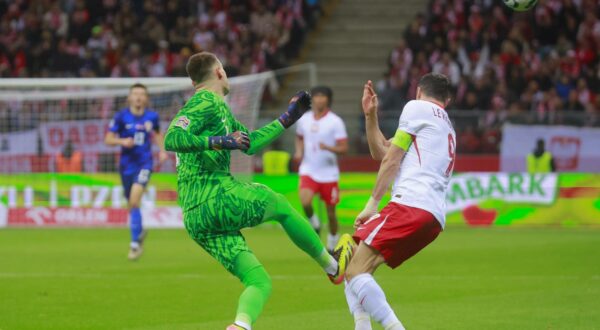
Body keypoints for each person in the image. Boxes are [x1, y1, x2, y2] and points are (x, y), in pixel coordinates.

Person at [163, 52, 354, 330]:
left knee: (259, 281)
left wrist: (288, 118)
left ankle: (240, 326)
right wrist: (220, 141)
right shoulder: (206, 101)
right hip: (214, 196)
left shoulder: (220, 109)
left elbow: (249, 143)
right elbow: (172, 138)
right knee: (276, 202)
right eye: (225, 70)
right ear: (218, 72)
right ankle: (332, 266)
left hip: (195, 218)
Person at [343, 74, 456, 330]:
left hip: (410, 205)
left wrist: (372, 204)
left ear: (418, 91)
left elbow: (391, 160)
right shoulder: (444, 125)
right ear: (446, 101)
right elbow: (382, 151)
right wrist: (371, 116)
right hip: (432, 217)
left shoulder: (416, 108)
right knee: (355, 268)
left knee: (354, 272)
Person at [104, 83, 168, 260]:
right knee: (132, 205)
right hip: (126, 166)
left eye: (142, 94)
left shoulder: (152, 117)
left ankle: (134, 245)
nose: (138, 97)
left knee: (134, 200)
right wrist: (122, 141)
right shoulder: (121, 117)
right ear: (129, 98)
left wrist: (162, 151)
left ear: (146, 98)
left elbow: (157, 134)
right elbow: (108, 139)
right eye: (135, 94)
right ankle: (139, 233)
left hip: (144, 164)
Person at [294, 85, 348, 252]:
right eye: (316, 96)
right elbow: (299, 137)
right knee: (305, 201)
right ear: (313, 100)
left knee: (331, 214)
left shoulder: (335, 122)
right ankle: (315, 223)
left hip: (328, 174)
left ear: (328, 100)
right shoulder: (304, 119)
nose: (319, 99)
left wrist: (329, 148)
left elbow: (344, 148)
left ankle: (332, 245)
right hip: (309, 169)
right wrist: (299, 151)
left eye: (323, 96)